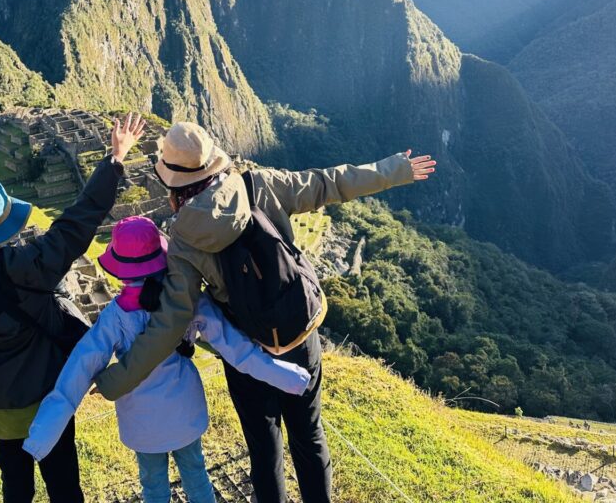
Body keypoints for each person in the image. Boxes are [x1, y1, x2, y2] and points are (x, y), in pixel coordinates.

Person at [91, 122, 437, 503]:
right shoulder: (259, 185)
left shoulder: (185, 239)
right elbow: (330, 183)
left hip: (246, 353)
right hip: (298, 334)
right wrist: (395, 170)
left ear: (173, 184)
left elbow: (170, 323)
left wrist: (116, 380)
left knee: (264, 447)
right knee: (309, 435)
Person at [23, 215, 312, 503]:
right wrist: (291, 377)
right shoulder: (188, 301)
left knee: (153, 487)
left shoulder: (116, 316)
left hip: (142, 420)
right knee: (197, 477)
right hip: (184, 411)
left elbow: (79, 369)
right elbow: (238, 349)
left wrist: (41, 437)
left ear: (121, 269)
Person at [0, 113, 146, 503]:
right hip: (48, 400)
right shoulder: (31, 266)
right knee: (64, 485)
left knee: (15, 487)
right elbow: (77, 223)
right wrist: (115, 159)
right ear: (8, 222)